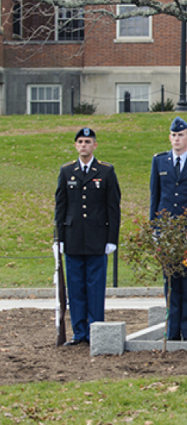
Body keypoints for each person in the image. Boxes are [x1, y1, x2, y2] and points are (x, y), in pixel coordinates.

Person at [55, 128, 121, 346]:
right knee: (75, 289)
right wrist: (59, 238)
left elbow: (113, 208)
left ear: (95, 145)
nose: (84, 145)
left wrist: (112, 239)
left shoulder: (106, 171)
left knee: (95, 288)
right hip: (73, 239)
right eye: (81, 142)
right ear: (76, 145)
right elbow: (61, 208)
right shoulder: (67, 172)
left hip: (97, 239)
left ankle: (96, 330)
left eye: (88, 141)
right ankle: (79, 332)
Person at [150, 117, 187, 341]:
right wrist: (155, 229)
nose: (176, 139)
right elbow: (155, 197)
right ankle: (172, 334)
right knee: (170, 284)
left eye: (180, 135)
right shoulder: (159, 161)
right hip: (167, 231)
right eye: (173, 135)